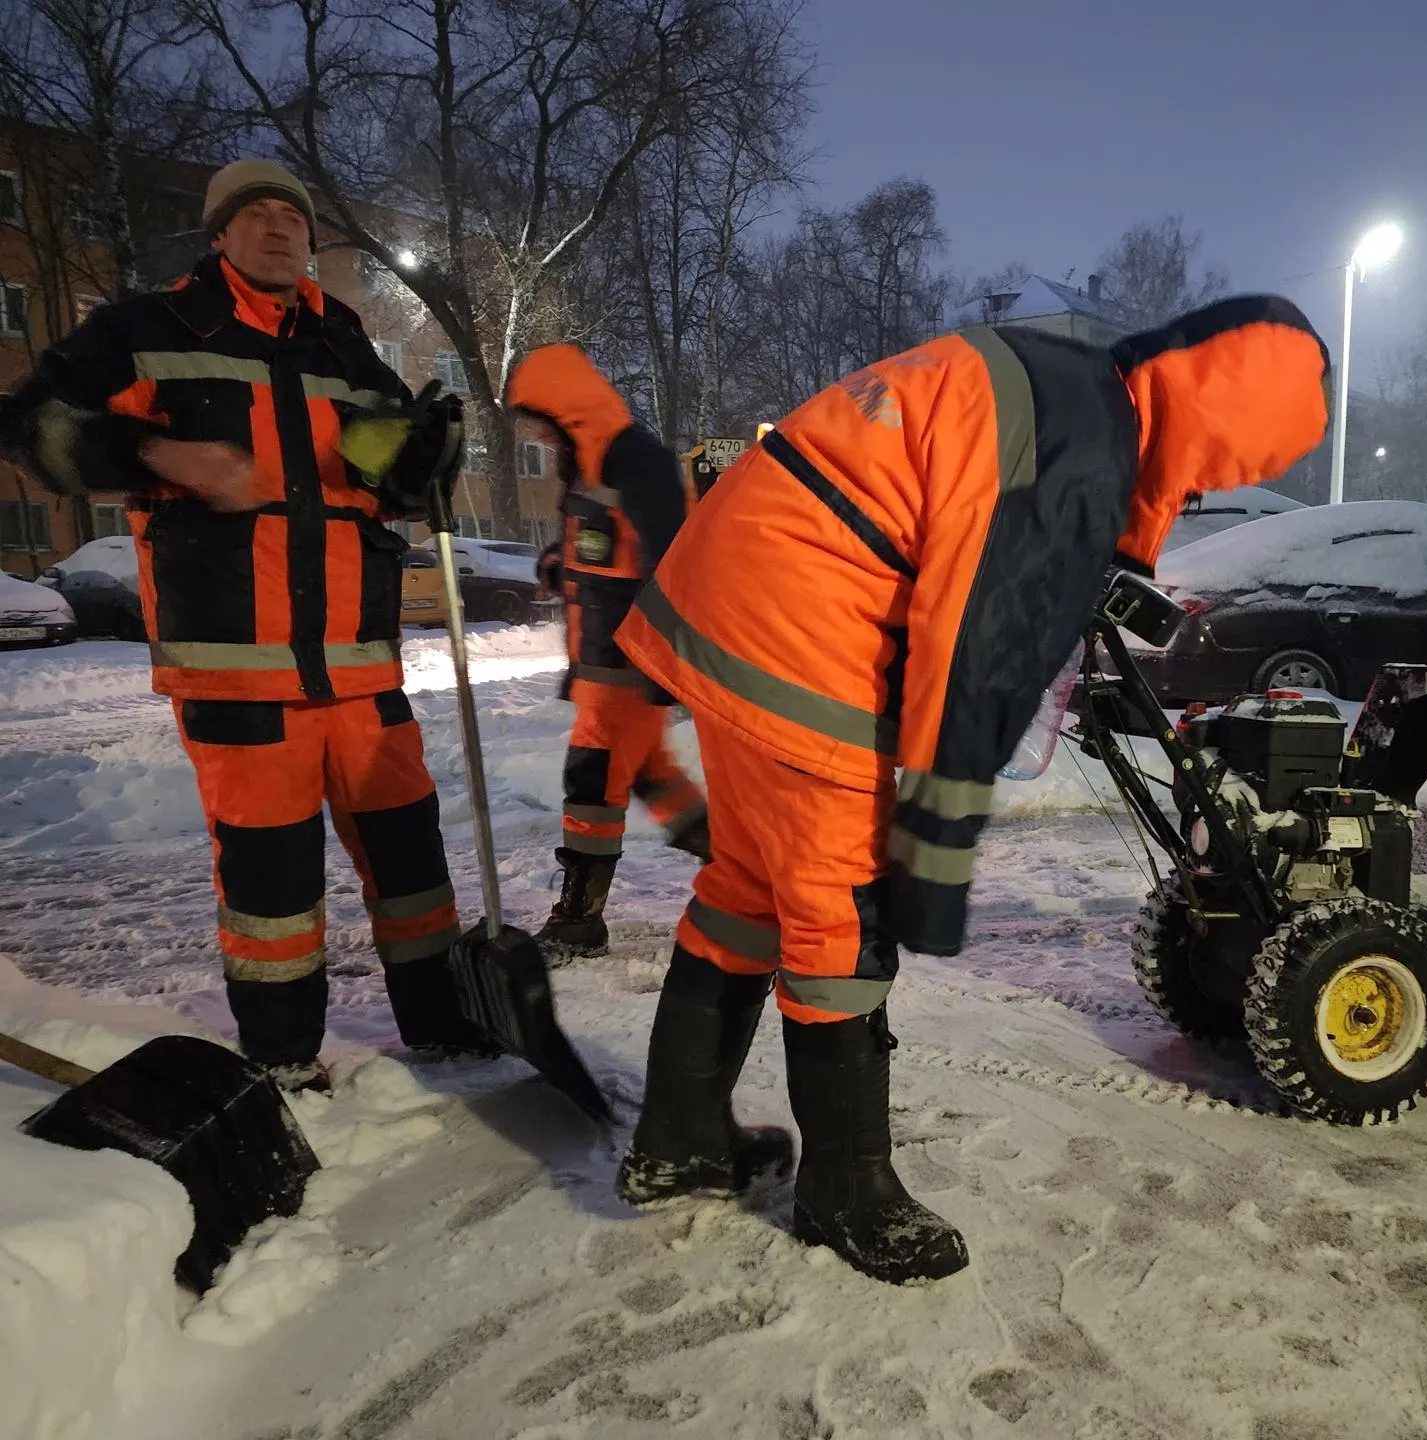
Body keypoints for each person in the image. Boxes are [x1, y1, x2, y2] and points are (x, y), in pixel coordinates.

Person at [612, 295, 1331, 1283]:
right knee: (840, 915)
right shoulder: (1086, 437)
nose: (1214, 480)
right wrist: (939, 833)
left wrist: (1111, 565)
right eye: (1226, 466)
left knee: (749, 886)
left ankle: (680, 1136)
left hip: (740, 582)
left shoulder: (1078, 384)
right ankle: (846, 1190)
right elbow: (975, 637)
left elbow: (996, 539)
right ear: (1224, 417)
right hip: (802, 615)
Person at [0, 159, 490, 1093]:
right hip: (237, 665)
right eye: (254, 214)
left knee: (410, 853)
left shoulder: (341, 343)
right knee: (272, 879)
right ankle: (283, 1054)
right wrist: (155, 450)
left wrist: (426, 450)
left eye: (293, 218)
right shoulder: (144, 331)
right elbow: (31, 426)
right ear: (218, 236)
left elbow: (387, 473)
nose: (278, 228)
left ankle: (442, 1023)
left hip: (358, 661)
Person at [502, 345, 708, 959]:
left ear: (567, 410)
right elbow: (606, 549)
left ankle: (577, 922)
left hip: (625, 661)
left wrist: (665, 659)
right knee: (650, 777)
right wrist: (557, 564)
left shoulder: (632, 459)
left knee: (593, 782)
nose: (538, 433)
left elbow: (674, 556)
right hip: (603, 659)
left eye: (541, 419)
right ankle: (745, 874)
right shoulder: (595, 463)